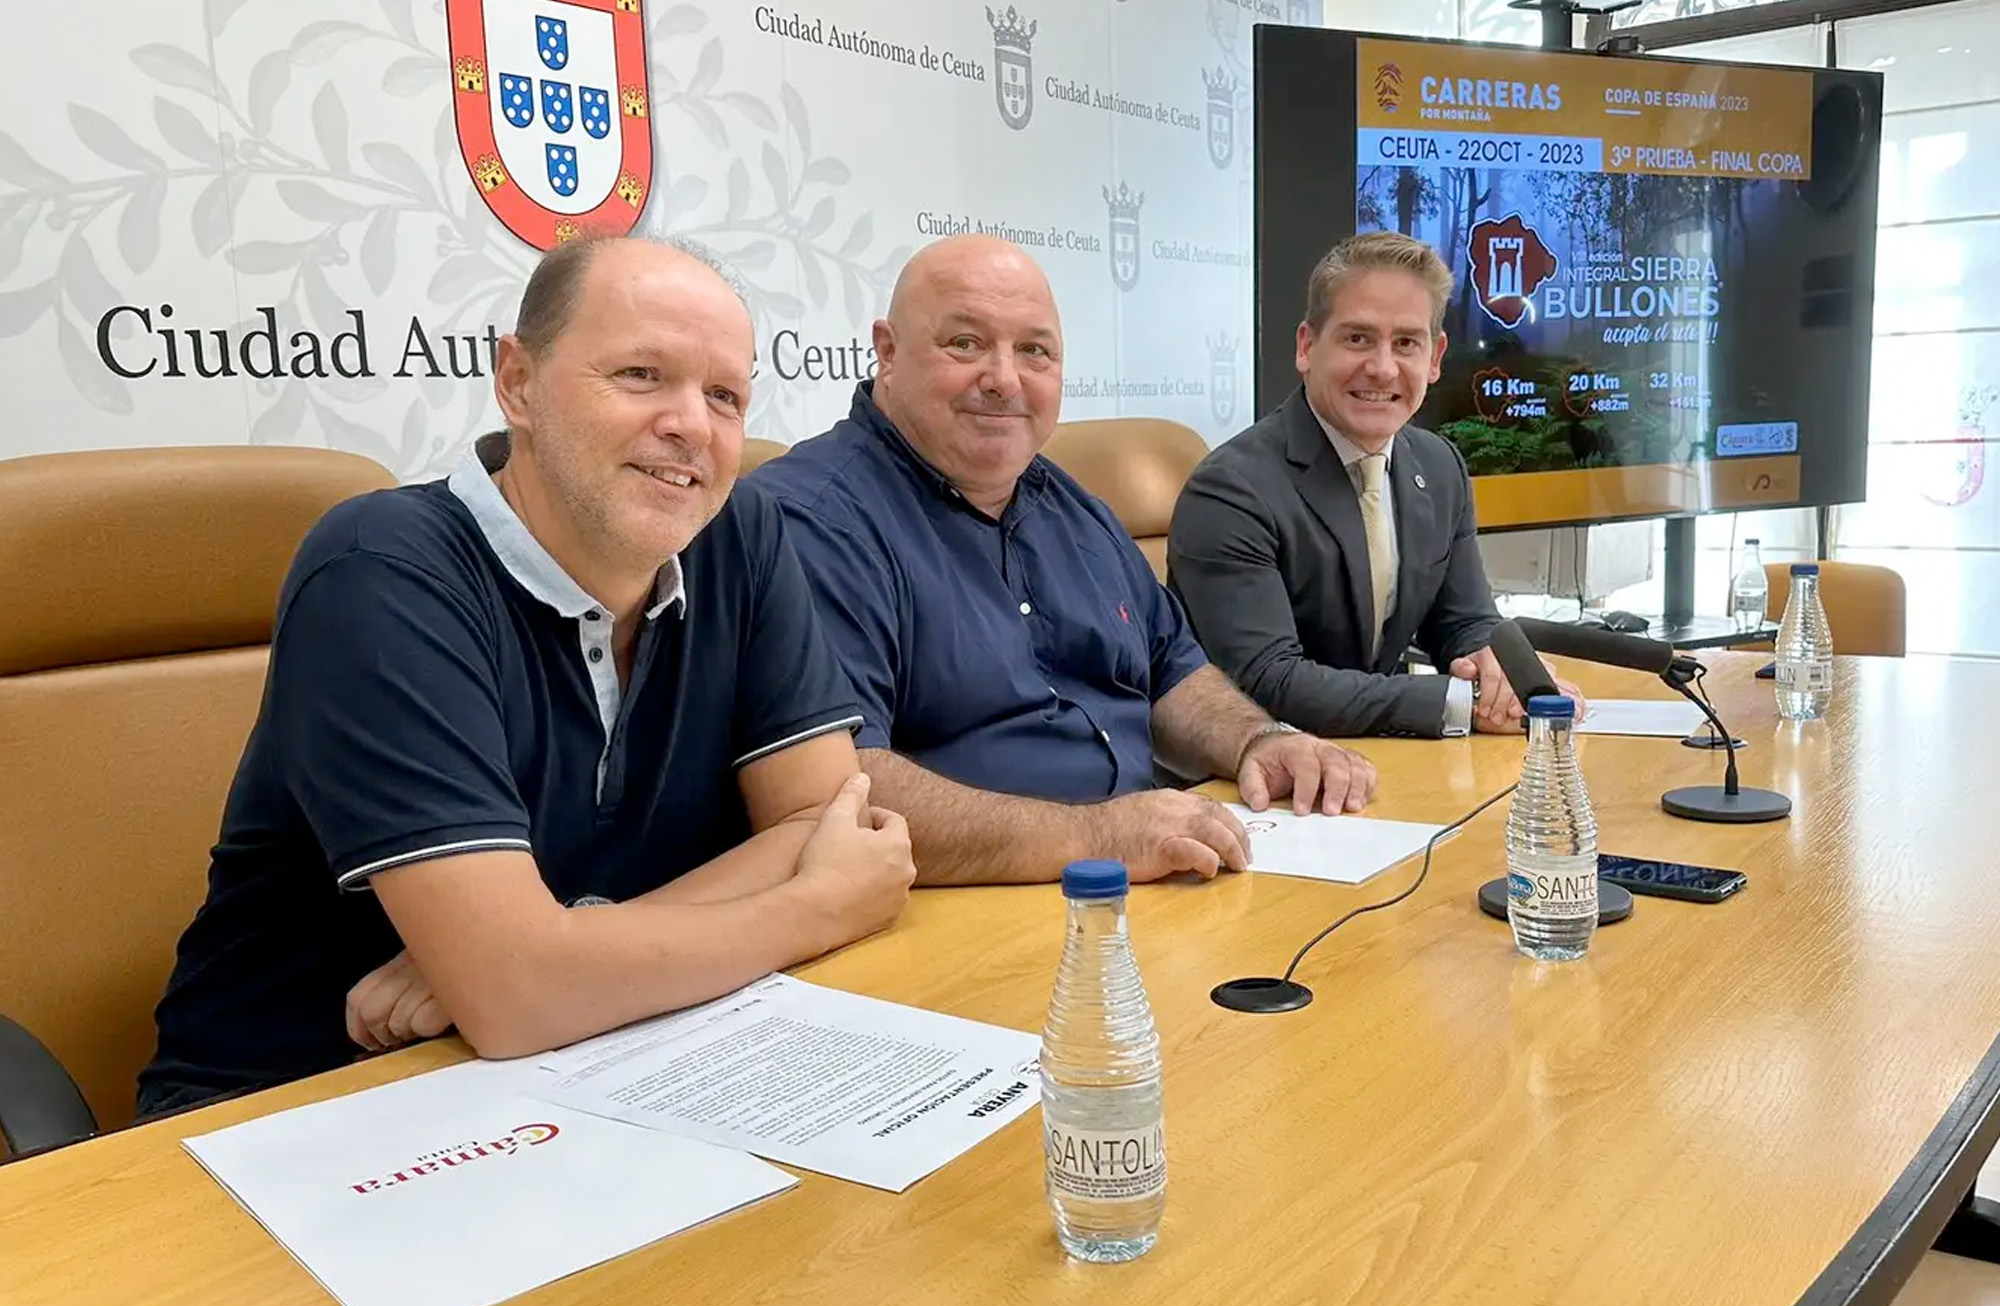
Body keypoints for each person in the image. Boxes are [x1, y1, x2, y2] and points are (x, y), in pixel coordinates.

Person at [138, 237, 914, 1115]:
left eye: (724, 395)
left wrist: (564, 946)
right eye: (641, 374)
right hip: (299, 1105)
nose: (692, 425)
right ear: (518, 383)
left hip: (604, 1058)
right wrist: (819, 906)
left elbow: (821, 818)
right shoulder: (379, 570)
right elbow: (518, 999)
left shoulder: (741, 532)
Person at [741, 235, 1377, 888]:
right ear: (887, 351)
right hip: (971, 910)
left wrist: (1258, 741)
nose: (1004, 378)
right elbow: (839, 794)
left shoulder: (1073, 506)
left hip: (1140, 878)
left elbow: (1172, 670)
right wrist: (1098, 837)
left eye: (1034, 351)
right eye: (965, 343)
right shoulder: (808, 522)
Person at [1167, 231, 1582, 739]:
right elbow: (1267, 680)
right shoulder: (1231, 490)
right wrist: (1460, 702)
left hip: (1383, 759)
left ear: (1435, 358)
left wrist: (1503, 675)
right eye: (1358, 338)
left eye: (1406, 343)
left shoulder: (1440, 466)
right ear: (1306, 346)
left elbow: (1464, 622)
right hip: (1260, 769)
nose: (1383, 369)